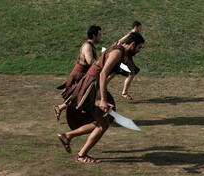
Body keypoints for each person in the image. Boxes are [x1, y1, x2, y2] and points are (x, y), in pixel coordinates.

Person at [57, 32, 144, 163]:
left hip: (92, 85)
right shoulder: (117, 52)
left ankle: (68, 136)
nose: (139, 51)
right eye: (139, 47)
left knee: (103, 122)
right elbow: (103, 74)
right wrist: (103, 99)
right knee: (103, 124)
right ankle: (81, 155)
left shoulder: (118, 48)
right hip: (91, 86)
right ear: (132, 44)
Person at [53, 25, 102, 121]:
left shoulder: (91, 46)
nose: (101, 36)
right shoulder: (88, 46)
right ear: (93, 35)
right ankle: (60, 108)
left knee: (78, 94)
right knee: (79, 94)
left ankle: (59, 108)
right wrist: (100, 62)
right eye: (99, 34)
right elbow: (90, 61)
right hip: (80, 74)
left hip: (84, 73)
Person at [116, 21, 142, 100]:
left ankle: (101, 86)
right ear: (135, 27)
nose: (140, 30)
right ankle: (124, 92)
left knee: (114, 72)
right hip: (125, 56)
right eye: (140, 28)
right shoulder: (131, 35)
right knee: (131, 73)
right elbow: (120, 41)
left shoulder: (135, 35)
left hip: (127, 56)